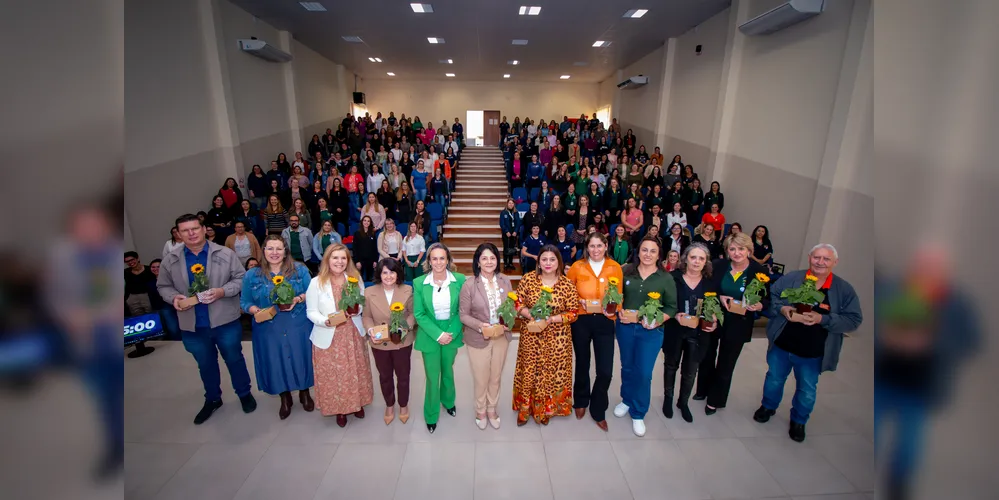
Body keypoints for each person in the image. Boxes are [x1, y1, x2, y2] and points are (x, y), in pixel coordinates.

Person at [753, 244, 863, 442]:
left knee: (807, 388)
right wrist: (783, 310)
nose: (820, 262)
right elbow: (772, 297)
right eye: (816, 257)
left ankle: (799, 420)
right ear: (810, 258)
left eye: (826, 259)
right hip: (782, 344)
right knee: (774, 379)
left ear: (835, 262)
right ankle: (768, 407)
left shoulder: (843, 289)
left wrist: (823, 319)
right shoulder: (793, 279)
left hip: (814, 351)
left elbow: (854, 320)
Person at [157, 214, 256, 424]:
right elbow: (163, 286)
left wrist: (222, 291)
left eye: (195, 228)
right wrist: (173, 297)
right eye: (185, 230)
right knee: (205, 364)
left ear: (204, 229)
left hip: (224, 321)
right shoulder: (171, 259)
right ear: (178, 234)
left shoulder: (226, 253)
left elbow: (241, 279)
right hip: (192, 324)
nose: (191, 233)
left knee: (234, 359)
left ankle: (244, 394)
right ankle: (212, 399)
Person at [695, 233, 770, 415]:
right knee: (706, 356)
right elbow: (707, 288)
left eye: (741, 249)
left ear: (749, 250)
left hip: (739, 323)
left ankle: (716, 399)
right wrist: (719, 298)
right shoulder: (719, 266)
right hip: (714, 317)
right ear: (727, 251)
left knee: (726, 363)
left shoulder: (759, 271)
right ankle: (703, 390)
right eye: (733, 249)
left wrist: (759, 305)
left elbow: (767, 299)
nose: (737, 253)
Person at [240, 235, 314, 419]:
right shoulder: (252, 275)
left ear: (285, 251)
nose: (274, 253)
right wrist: (255, 309)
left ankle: (305, 392)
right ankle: (285, 397)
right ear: (263, 251)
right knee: (276, 361)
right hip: (268, 327)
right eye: (270, 249)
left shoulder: (299, 270)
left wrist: (297, 299)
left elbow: (312, 292)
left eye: (279, 249)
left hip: (298, 323)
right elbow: (244, 302)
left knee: (301, 358)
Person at [305, 243, 375, 427]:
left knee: (355, 371)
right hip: (329, 334)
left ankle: (357, 403)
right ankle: (339, 409)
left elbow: (361, 304)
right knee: (334, 374)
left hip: (352, 332)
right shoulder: (316, 282)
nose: (340, 261)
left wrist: (357, 309)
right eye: (335, 257)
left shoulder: (354, 278)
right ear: (327, 259)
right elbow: (311, 311)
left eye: (343, 258)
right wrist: (324, 321)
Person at [613, 236, 677, 436]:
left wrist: (659, 320)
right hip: (625, 328)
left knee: (644, 372)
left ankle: (639, 412)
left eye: (653, 251)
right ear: (638, 251)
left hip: (651, 331)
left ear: (659, 255)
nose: (648, 254)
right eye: (644, 250)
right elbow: (615, 296)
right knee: (628, 367)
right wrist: (619, 310)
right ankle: (626, 398)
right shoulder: (626, 272)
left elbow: (671, 307)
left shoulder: (665, 278)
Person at [512, 244, 579, 425]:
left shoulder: (566, 284)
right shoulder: (528, 279)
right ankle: (526, 409)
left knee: (552, 374)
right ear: (538, 262)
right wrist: (530, 314)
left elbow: (574, 312)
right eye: (544, 259)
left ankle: (547, 409)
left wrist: (552, 319)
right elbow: (517, 304)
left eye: (552, 259)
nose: (548, 263)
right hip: (531, 335)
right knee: (530, 371)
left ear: (558, 262)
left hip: (557, 339)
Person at [566, 232, 623, 431]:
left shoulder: (615, 268)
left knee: (605, 370)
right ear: (587, 248)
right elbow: (568, 292)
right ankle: (581, 401)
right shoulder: (577, 267)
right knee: (582, 363)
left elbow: (620, 295)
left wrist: (613, 306)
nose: (596, 250)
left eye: (599, 246)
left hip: (605, 322)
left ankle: (598, 409)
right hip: (581, 320)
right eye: (592, 246)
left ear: (606, 246)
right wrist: (577, 301)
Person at [459, 243, 514, 430]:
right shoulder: (469, 285)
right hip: (478, 338)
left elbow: (511, 306)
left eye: (492, 258)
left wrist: (510, 318)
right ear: (478, 262)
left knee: (496, 376)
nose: (489, 262)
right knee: (481, 378)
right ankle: (480, 410)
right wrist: (479, 326)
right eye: (484, 258)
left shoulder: (505, 280)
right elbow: (463, 315)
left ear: (497, 260)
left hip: (501, 336)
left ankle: (492, 409)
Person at [412, 243, 466, 434]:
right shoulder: (419, 283)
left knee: (448, 371)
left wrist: (450, 332)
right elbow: (419, 314)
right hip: (430, 333)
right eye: (434, 258)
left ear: (448, 260)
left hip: (453, 330)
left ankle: (449, 402)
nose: (438, 262)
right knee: (432, 376)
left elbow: (463, 310)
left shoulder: (459, 280)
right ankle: (431, 414)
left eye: (442, 258)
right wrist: (438, 334)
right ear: (428, 261)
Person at [661, 243, 718, 422]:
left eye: (701, 258)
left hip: (698, 333)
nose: (696, 261)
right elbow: (664, 303)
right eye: (693, 257)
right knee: (671, 366)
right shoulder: (672, 278)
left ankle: (683, 402)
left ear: (706, 262)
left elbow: (714, 307)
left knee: (690, 371)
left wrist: (714, 320)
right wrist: (675, 314)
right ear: (685, 259)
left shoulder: (710, 282)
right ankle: (668, 399)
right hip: (675, 330)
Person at [362, 258, 416, 425]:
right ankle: (390, 405)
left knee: (403, 376)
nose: (388, 276)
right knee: (385, 376)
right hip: (380, 342)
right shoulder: (369, 292)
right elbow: (366, 316)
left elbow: (412, 313)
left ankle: (403, 405)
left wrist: (406, 327)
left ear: (398, 273)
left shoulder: (407, 289)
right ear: (379, 273)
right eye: (384, 272)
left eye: (392, 272)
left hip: (401, 341)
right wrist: (370, 330)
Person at [353, 216, 378, 281]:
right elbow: (355, 248)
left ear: (370, 223)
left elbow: (375, 248)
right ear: (362, 222)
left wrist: (375, 260)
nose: (366, 222)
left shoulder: (373, 234)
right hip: (360, 260)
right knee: (360, 280)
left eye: (368, 221)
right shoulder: (357, 234)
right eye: (365, 220)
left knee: (370, 279)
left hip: (370, 261)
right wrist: (357, 261)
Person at [499, 198, 521, 271]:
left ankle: (510, 263)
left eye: (512, 203)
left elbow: (518, 223)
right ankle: (506, 263)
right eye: (509, 203)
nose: (511, 204)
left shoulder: (516, 212)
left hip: (514, 233)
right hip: (506, 234)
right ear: (507, 204)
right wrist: (506, 231)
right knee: (506, 247)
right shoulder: (503, 212)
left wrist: (516, 231)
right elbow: (502, 224)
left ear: (514, 204)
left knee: (512, 248)